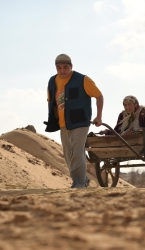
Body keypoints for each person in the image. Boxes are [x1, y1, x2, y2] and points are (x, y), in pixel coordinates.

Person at [45, 54, 103, 188]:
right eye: (59, 68)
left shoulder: (83, 79)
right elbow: (50, 101)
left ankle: (79, 183)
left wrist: (99, 116)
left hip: (80, 121)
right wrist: (52, 119)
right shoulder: (52, 81)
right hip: (63, 123)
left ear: (71, 66)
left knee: (77, 151)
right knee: (67, 153)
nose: (62, 71)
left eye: (66, 67)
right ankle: (83, 179)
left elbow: (99, 96)